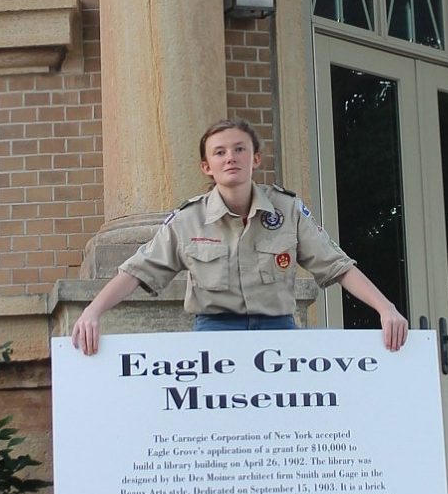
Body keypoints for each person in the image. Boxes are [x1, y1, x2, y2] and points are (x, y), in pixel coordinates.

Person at [70, 118, 409, 354]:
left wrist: (386, 308)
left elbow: (338, 267)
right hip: (215, 333)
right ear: (207, 166)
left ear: (255, 158)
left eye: (239, 149)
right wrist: (92, 313)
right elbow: (136, 271)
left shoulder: (287, 211)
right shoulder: (188, 221)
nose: (230, 157)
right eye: (219, 152)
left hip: (278, 332)